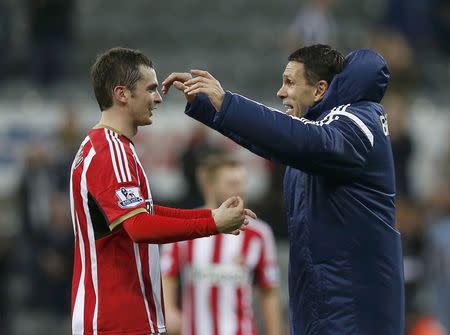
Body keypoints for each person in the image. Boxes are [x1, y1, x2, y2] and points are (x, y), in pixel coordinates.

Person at [162, 44, 405, 335]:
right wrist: (209, 105)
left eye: (290, 82)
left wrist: (226, 102)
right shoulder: (317, 130)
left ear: (320, 90)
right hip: (323, 306)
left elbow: (299, 139)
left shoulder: (359, 122)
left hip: (355, 312)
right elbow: (274, 139)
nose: (280, 92)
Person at [69, 47, 254, 335]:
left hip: (121, 315)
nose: (157, 98)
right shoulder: (109, 151)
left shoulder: (110, 147)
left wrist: (212, 216)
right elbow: (139, 227)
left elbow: (148, 212)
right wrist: (213, 223)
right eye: (151, 89)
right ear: (122, 94)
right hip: (115, 318)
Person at [161, 155, 282, 335]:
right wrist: (169, 310)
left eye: (242, 183)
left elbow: (269, 290)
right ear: (209, 187)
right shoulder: (185, 227)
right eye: (232, 184)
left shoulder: (259, 233)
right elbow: (167, 273)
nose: (241, 190)